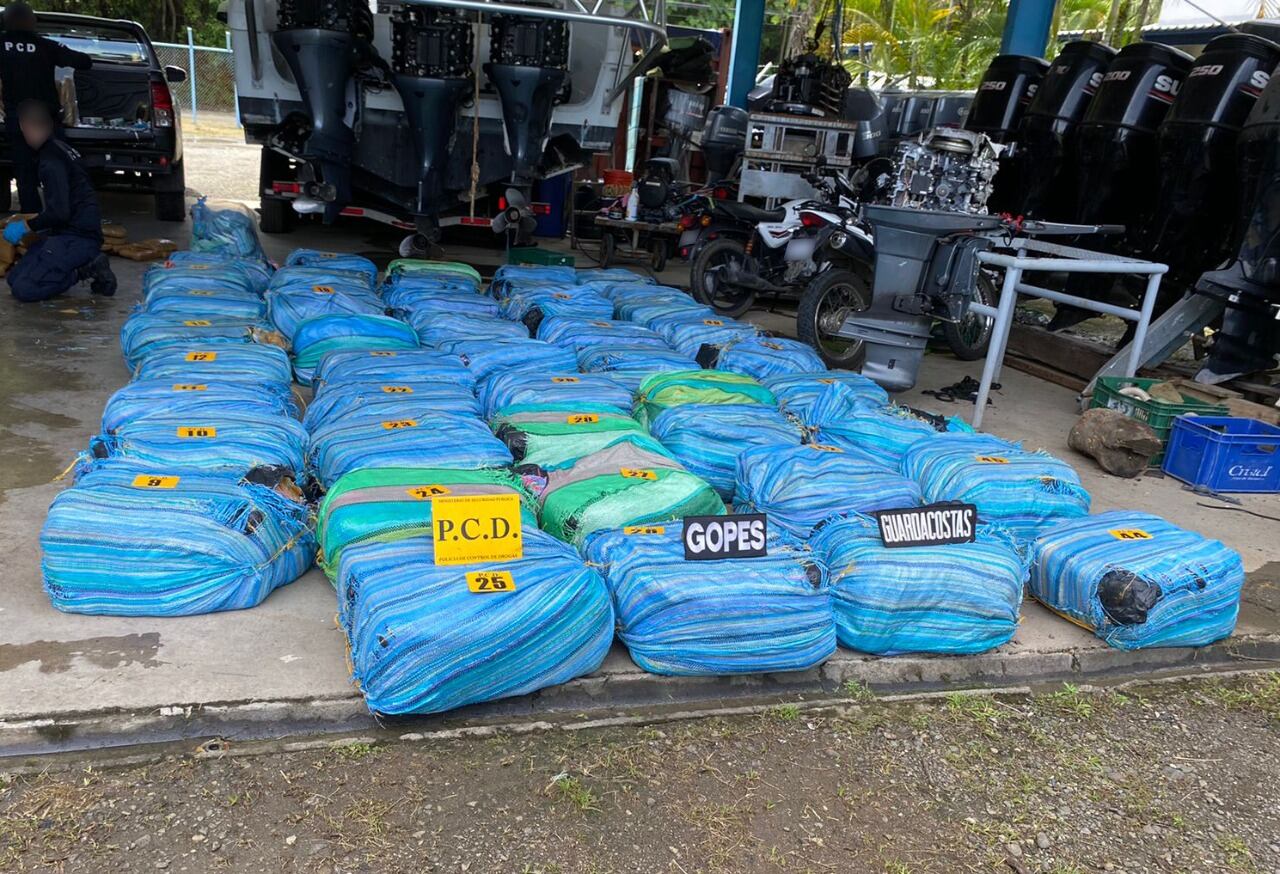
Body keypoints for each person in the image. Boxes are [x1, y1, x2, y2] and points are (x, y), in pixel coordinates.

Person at [5, 99, 115, 301]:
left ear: (24, 126)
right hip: (65, 234)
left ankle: (86, 268)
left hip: (78, 238)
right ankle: (66, 265)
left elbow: (59, 212)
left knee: (24, 289)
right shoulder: (60, 148)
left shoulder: (50, 161)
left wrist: (26, 226)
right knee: (13, 279)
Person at [0, 2, 92, 212]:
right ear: (27, 20)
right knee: (54, 169)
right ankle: (57, 214)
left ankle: (31, 217)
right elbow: (84, 61)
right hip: (45, 119)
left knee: (24, 173)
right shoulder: (46, 46)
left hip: (17, 119)